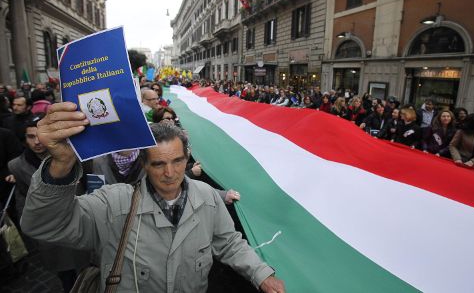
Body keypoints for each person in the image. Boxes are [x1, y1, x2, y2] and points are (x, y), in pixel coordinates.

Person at [21, 103, 285, 293]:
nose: (170, 173)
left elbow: (228, 243)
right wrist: (61, 165)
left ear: (187, 158)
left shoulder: (207, 197)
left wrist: (261, 274)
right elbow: (45, 224)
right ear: (144, 164)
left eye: (178, 161)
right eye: (159, 164)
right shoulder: (113, 203)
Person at [8, 114, 90, 292]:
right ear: (24, 139)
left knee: (88, 272)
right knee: (66, 278)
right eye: (31, 136)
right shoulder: (16, 166)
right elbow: (22, 198)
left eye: (39, 135)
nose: (37, 141)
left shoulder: (71, 155)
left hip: (78, 222)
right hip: (51, 235)